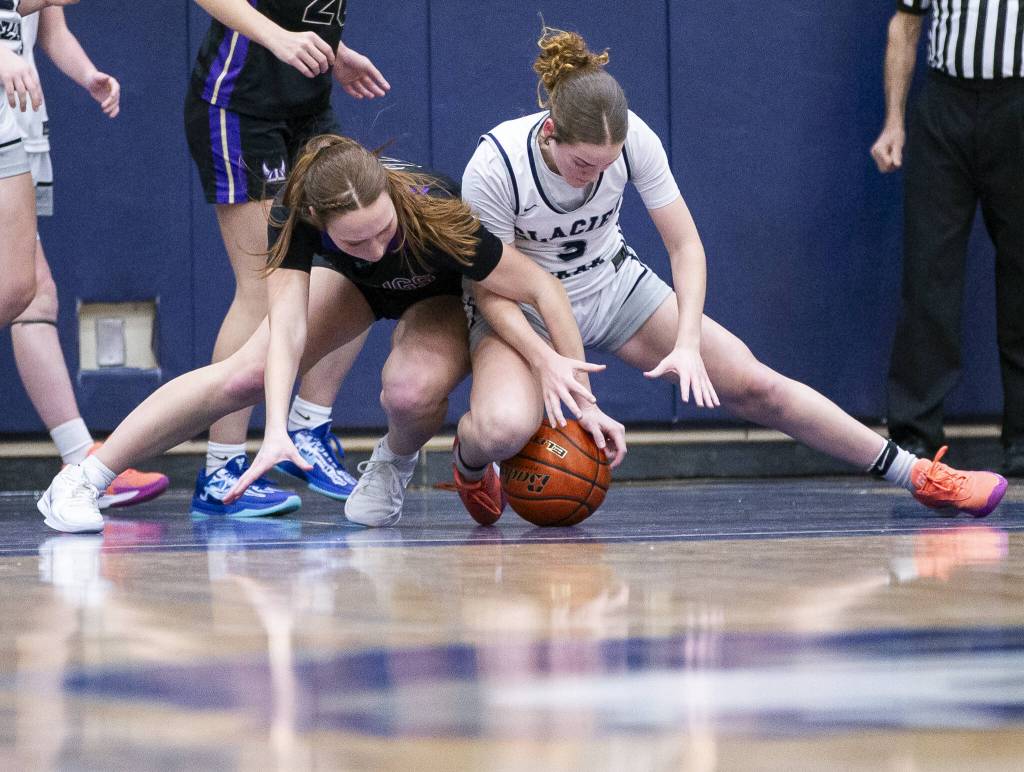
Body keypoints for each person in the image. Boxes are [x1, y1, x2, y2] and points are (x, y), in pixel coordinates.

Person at [453, 27, 1008, 523]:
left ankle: (917, 475)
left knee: (755, 383)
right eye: (583, 166)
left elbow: (685, 245)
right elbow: (487, 286)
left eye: (607, 164)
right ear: (550, 132)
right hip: (520, 307)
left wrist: (689, 343)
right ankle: (469, 464)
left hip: (608, 283)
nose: (595, 177)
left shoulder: (631, 141)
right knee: (503, 427)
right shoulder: (495, 165)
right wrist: (546, 358)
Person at [36, 134, 616, 533]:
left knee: (411, 391)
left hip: (436, 294)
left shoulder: (437, 213)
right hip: (355, 288)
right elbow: (287, 330)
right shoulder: (295, 216)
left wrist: (584, 402)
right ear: (318, 222)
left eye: (383, 231)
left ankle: (391, 463)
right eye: (355, 240)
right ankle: (85, 478)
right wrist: (273, 432)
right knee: (247, 371)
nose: (376, 247)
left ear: (391, 198)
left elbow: (544, 289)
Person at [186, 0, 390, 515]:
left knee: (360, 263)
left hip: (308, 103)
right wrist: (277, 39)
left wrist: (335, 50)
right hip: (240, 106)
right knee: (263, 292)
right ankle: (221, 467)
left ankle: (309, 425)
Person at [0, 0, 168, 505]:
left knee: (32, 296)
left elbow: (50, 27)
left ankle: (82, 464)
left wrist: (87, 73)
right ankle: (82, 464)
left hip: (17, 116)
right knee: (20, 289)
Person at [870, 1, 1024, 477]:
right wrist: (894, 120)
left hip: (1017, 105)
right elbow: (906, 25)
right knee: (928, 271)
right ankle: (915, 435)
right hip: (945, 105)